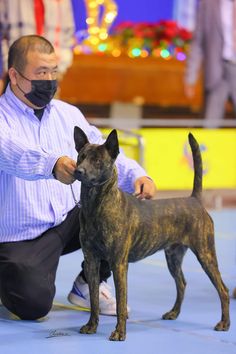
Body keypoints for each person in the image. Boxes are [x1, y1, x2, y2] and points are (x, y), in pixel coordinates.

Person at [0, 35, 157, 320]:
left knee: (120, 217)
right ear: (14, 75)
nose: (49, 80)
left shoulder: (67, 113)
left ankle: (89, 283)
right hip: (20, 235)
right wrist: (52, 163)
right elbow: (13, 153)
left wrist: (137, 175)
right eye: (40, 73)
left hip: (70, 218)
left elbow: (103, 151)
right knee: (31, 304)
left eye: (53, 72)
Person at [0, 0, 75, 94]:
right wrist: (8, 65)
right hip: (18, 72)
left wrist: (59, 66)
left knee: (49, 106)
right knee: (15, 106)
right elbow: (2, 32)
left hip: (51, 71)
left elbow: (67, 32)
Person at [184, 0, 236, 127]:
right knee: (210, 123)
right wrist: (190, 77)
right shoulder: (208, 3)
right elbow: (198, 42)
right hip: (216, 71)